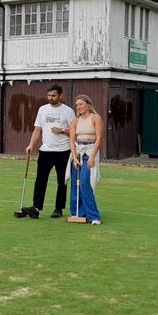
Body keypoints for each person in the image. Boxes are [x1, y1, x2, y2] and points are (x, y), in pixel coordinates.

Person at [23, 84, 75, 218]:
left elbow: (75, 132)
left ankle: (59, 208)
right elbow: (37, 129)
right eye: (49, 95)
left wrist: (62, 130)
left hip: (64, 151)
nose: (50, 98)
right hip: (45, 151)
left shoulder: (68, 111)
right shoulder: (42, 109)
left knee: (62, 181)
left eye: (53, 95)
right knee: (40, 179)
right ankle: (36, 207)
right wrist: (30, 145)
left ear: (60, 96)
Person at [68, 94, 104, 225]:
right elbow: (71, 140)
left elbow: (99, 138)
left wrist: (92, 157)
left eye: (81, 104)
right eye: (77, 105)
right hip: (77, 152)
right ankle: (77, 212)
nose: (79, 107)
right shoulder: (75, 121)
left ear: (88, 104)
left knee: (84, 182)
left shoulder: (96, 118)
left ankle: (94, 216)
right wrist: (74, 156)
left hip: (89, 151)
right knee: (74, 183)